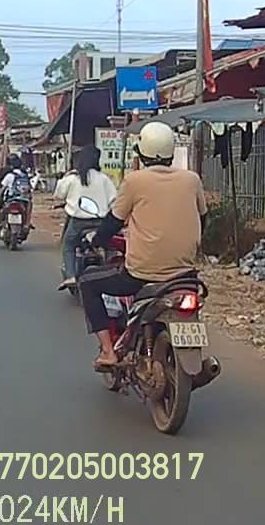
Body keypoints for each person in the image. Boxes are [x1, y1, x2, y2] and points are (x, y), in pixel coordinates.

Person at [77, 122, 208, 370]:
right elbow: (202, 219)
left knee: (87, 282)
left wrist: (96, 240)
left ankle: (108, 352)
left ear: (141, 152)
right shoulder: (192, 179)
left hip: (141, 274)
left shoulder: (134, 181)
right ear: (170, 152)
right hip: (185, 275)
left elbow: (113, 222)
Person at [54, 145, 119, 285]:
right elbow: (114, 200)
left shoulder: (73, 178)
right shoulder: (104, 179)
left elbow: (59, 194)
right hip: (100, 222)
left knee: (68, 246)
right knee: (110, 246)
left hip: (78, 222)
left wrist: (65, 177)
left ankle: (71, 276)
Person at [0, 154, 24, 228]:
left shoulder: (6, 172)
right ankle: (27, 223)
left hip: (9, 196)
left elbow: (2, 186)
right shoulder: (24, 173)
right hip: (22, 197)